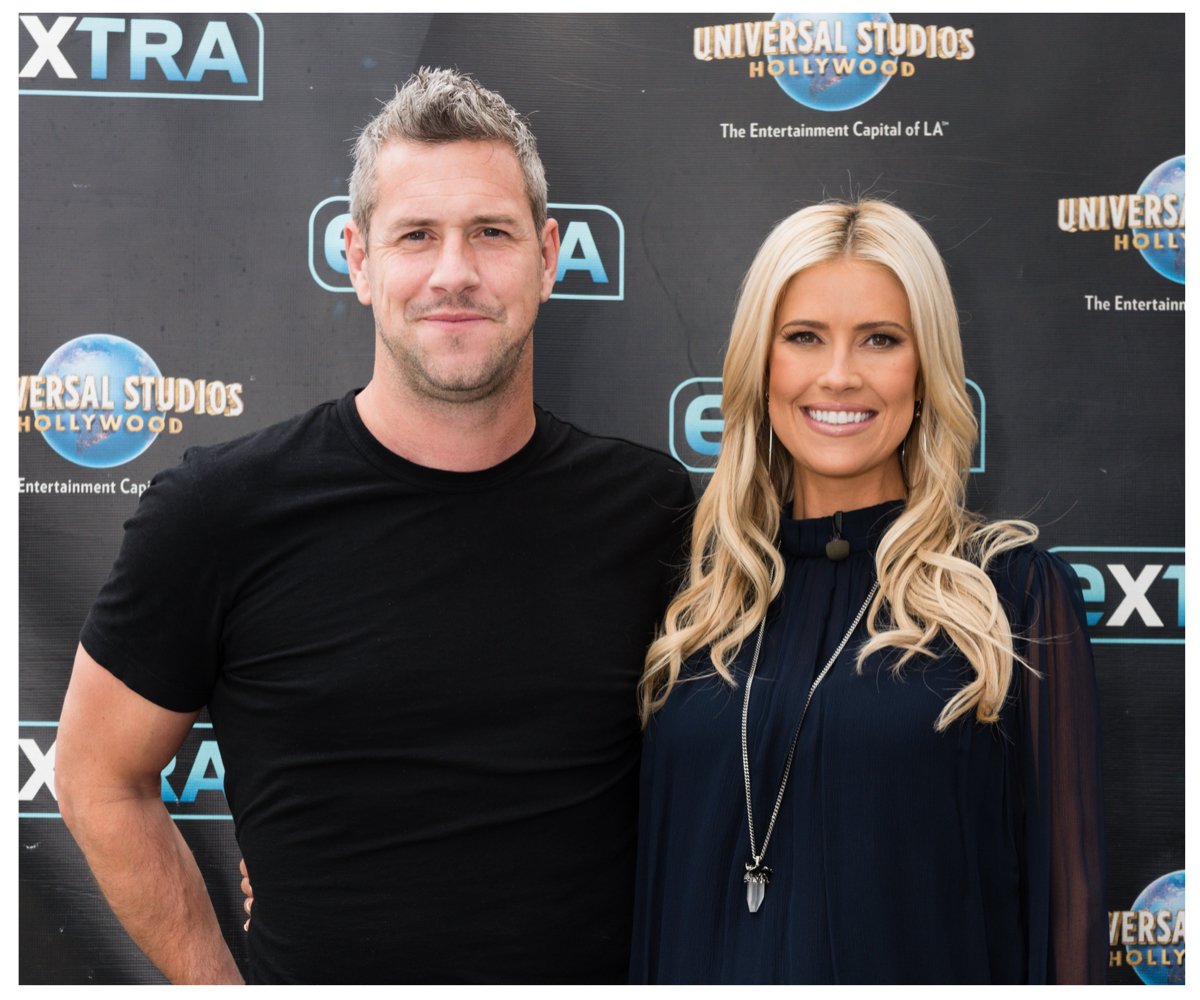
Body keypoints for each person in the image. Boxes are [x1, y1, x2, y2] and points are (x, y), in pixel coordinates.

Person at [54, 68, 692, 985]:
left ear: (549, 256)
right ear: (357, 259)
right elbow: (95, 776)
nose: (454, 272)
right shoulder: (220, 512)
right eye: (416, 235)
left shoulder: (652, 510)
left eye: (491, 233)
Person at [629, 201, 1106, 983]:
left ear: (925, 371)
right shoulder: (698, 602)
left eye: (880, 339)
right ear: (761, 365)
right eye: (804, 337)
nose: (839, 374)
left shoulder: (1011, 598)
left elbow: (1067, 921)